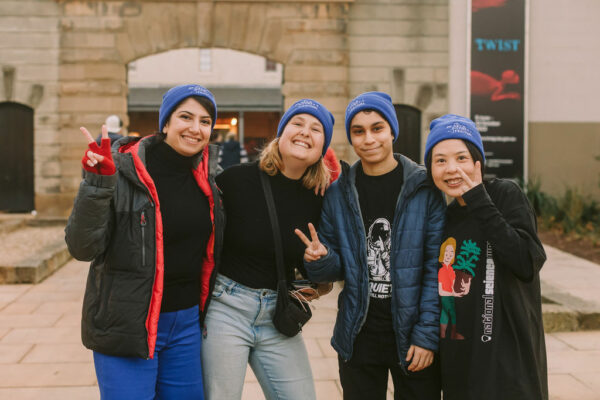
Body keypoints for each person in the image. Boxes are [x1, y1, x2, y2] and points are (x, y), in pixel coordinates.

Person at [65, 84, 224, 399]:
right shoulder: (121, 171)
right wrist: (97, 184)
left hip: (187, 326)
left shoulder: (211, 179)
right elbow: (82, 247)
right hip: (127, 324)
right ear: (165, 123)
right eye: (185, 117)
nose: (195, 128)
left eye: (205, 121)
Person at [295, 92, 445, 400]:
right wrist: (320, 259)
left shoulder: (423, 188)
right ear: (351, 137)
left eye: (377, 128)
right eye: (358, 131)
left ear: (392, 131)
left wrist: (428, 336)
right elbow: (336, 265)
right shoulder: (338, 193)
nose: (368, 139)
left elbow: (437, 270)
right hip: (358, 336)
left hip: (412, 336)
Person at [201, 99, 335, 400]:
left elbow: (327, 265)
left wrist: (319, 272)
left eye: (316, 129)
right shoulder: (235, 180)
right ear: (281, 133)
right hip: (226, 309)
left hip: (277, 314)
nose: (305, 132)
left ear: (322, 146)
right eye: (297, 124)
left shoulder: (320, 197)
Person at [423, 114, 548, 400]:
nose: (452, 169)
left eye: (461, 158)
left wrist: (479, 198)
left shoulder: (504, 194)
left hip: (507, 364)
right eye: (440, 160)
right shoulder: (444, 218)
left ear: (477, 162)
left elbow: (526, 262)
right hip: (460, 363)